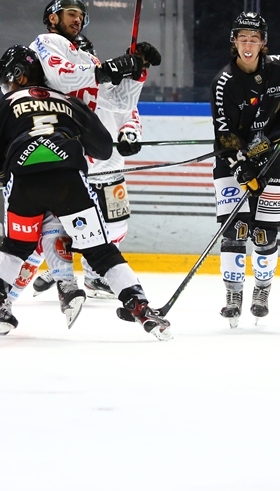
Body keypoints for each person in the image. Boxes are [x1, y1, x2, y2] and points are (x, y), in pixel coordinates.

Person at [0, 45, 170, 340]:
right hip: (69, 180)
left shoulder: (7, 104)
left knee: (16, 247)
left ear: (19, 76)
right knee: (101, 249)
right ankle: (140, 305)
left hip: (25, 183)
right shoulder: (69, 102)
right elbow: (103, 149)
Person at [20, 32, 156, 306]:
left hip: (109, 168)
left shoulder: (107, 84)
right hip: (73, 167)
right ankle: (40, 270)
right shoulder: (58, 91)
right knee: (54, 226)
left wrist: (130, 134)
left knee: (115, 226)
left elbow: (129, 112)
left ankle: (95, 276)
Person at [211, 11, 280, 328]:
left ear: (263, 43)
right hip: (234, 160)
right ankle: (233, 295)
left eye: (254, 38)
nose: (248, 44)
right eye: (242, 37)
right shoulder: (224, 83)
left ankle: (262, 290)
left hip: (272, 156)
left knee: (264, 234)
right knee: (234, 231)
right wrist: (241, 167)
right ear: (234, 41)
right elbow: (225, 135)